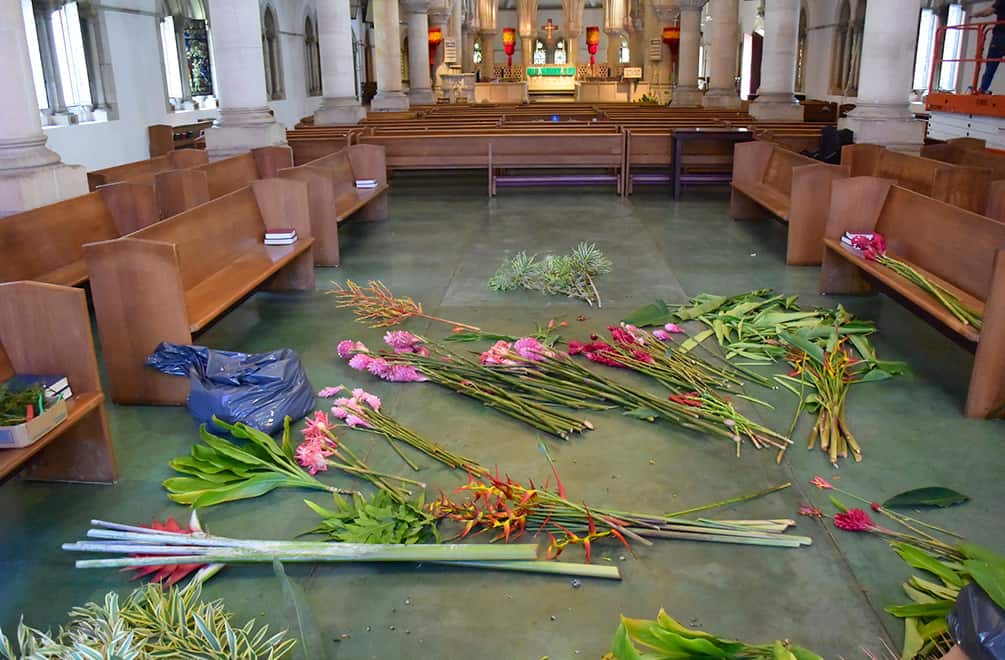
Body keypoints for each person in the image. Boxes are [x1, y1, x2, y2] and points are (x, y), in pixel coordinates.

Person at [975, 0, 1005, 92]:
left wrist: (976, 14)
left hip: (1000, 36)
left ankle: (983, 89)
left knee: (991, 65)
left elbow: (988, 12)